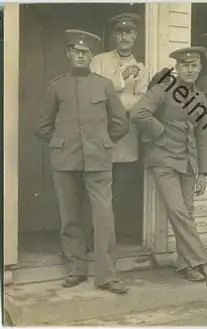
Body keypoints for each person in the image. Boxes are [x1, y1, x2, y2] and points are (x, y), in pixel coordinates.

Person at [35, 29, 129, 294]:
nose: (81, 56)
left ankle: (107, 275)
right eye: (76, 51)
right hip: (65, 161)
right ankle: (75, 269)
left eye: (86, 52)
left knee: (104, 218)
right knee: (70, 217)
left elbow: (121, 124)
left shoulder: (104, 85)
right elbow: (42, 127)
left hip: (98, 161)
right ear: (68, 54)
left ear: (91, 56)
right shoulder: (57, 86)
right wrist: (61, 143)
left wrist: (102, 141)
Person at [130, 46, 207, 288]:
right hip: (164, 160)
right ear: (177, 68)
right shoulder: (163, 89)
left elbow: (201, 135)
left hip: (188, 163)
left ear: (200, 68)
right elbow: (139, 113)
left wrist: (203, 171)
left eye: (194, 66)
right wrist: (160, 132)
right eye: (185, 65)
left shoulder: (200, 97)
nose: (190, 70)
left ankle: (185, 264)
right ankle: (202, 262)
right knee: (178, 212)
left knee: (187, 213)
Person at [89, 13, 149, 240]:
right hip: (100, 137)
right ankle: (92, 239)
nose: (125, 37)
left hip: (126, 141)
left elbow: (142, 103)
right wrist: (120, 80)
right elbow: (94, 93)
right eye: (120, 33)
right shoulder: (99, 61)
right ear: (114, 36)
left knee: (120, 192)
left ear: (135, 36)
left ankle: (111, 240)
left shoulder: (142, 67)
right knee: (96, 192)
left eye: (129, 33)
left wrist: (116, 100)